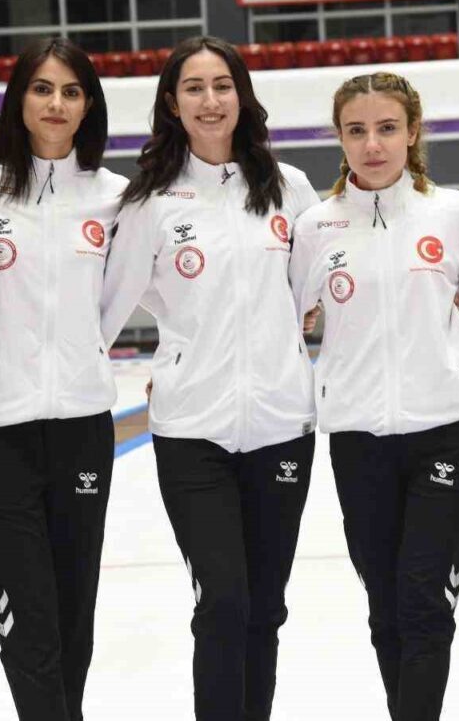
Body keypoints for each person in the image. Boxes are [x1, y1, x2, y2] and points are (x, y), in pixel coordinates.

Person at [99, 36, 319, 721]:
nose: (210, 100)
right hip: (192, 431)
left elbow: (315, 296)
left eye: (222, 85)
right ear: (172, 103)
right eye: (193, 88)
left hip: (282, 425)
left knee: (265, 608)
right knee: (223, 600)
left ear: (242, 97)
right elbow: (104, 312)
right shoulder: (149, 203)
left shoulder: (290, 188)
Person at [288, 72, 459, 721]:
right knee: (385, 606)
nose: (372, 144)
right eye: (357, 130)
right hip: (357, 439)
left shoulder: (453, 213)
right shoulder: (316, 227)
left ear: (412, 132)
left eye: (386, 128)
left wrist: (443, 349)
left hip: (444, 431)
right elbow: (283, 317)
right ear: (339, 138)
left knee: (425, 602)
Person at [0, 37, 127, 720]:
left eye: (72, 92)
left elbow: (154, 287)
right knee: (26, 620)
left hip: (83, 427)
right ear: (18, 99)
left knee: (74, 615)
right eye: (43, 89)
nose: (57, 104)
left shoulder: (115, 197)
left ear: (89, 106)